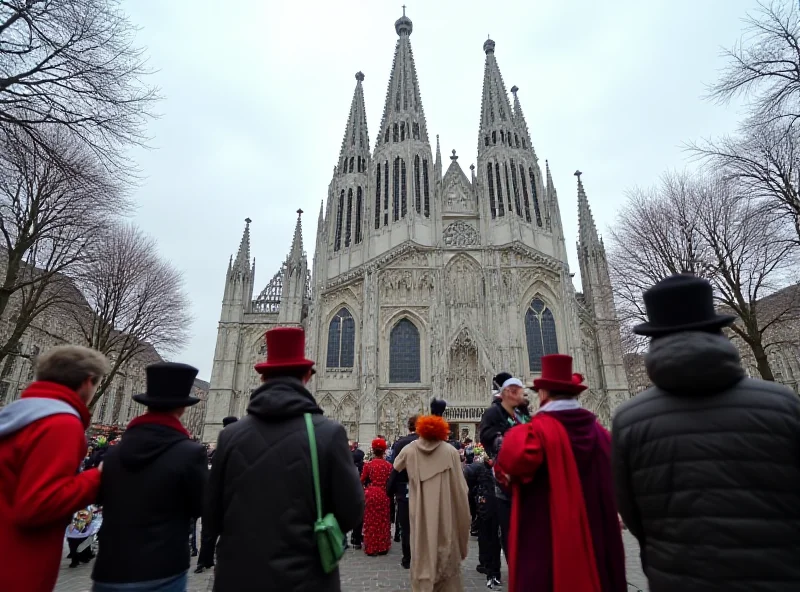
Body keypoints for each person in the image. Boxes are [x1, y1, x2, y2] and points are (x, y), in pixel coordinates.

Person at [612, 274, 800, 592]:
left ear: (655, 339)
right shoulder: (783, 404)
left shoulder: (630, 421)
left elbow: (633, 516)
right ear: (718, 330)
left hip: (680, 578)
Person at [203, 327, 364, 591]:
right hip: (307, 577)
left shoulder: (229, 437)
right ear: (306, 377)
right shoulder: (328, 434)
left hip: (239, 579)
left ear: (263, 376)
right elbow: (351, 510)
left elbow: (210, 519)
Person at [495, 354, 626, 592]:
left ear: (543, 394)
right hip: (596, 542)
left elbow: (506, 467)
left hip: (549, 542)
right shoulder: (603, 436)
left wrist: (509, 408)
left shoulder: (534, 433)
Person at [0, 345, 109, 592]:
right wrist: (97, 477)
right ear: (88, 382)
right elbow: (38, 504)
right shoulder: (60, 423)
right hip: (17, 565)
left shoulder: (16, 416)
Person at [91, 362, 208, 591]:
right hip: (162, 569)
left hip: (110, 569)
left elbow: (99, 497)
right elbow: (201, 506)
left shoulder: (113, 453)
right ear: (182, 408)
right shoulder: (190, 453)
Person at [394, 401, 471, 591]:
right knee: (447, 559)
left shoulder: (410, 449)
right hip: (446, 516)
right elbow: (462, 493)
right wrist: (463, 536)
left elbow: (396, 465)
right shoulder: (451, 452)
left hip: (419, 516)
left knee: (421, 556)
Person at [479, 372, 529, 559]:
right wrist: (507, 442)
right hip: (504, 478)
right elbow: (486, 437)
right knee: (509, 527)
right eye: (512, 391)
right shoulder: (494, 412)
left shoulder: (524, 413)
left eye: (519, 391)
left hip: (527, 477)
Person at [463, 445, 502, 588]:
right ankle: (490, 566)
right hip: (493, 505)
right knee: (492, 538)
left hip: (487, 506)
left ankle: (489, 566)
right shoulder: (488, 467)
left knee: (488, 536)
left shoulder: (480, 468)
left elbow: (468, 479)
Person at [387, 414, 420, 569]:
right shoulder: (428, 442)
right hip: (423, 487)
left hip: (403, 488)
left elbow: (395, 465)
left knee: (406, 526)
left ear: (409, 426)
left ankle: (407, 558)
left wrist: (390, 489)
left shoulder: (401, 443)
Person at [360, 437, 392, 556]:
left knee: (371, 521)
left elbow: (361, 480)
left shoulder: (369, 465)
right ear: (384, 451)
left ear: (373, 450)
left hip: (371, 493)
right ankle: (382, 547)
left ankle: (372, 548)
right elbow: (391, 481)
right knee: (383, 520)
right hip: (384, 494)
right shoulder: (388, 465)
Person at [349, 440, 366, 549]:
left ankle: (354, 538)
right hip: (360, 492)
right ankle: (357, 538)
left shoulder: (348, 466)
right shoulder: (363, 466)